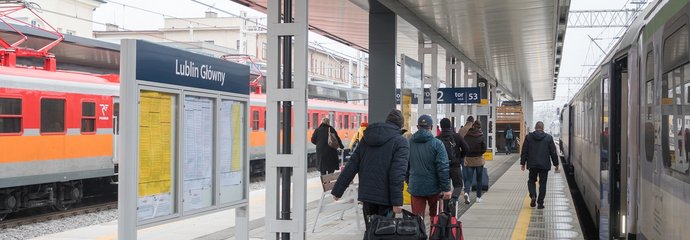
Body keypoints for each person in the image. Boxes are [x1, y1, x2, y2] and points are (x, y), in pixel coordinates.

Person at [331, 110, 409, 227]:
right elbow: (397, 173)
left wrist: (338, 190)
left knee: (371, 231)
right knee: (384, 233)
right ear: (400, 125)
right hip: (386, 198)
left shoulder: (366, 138)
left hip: (367, 196)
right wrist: (397, 202)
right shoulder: (401, 141)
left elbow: (352, 165)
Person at [407, 115, 452, 219]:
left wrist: (409, 181)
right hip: (434, 188)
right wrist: (446, 189)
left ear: (417, 127)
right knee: (435, 218)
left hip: (415, 186)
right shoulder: (437, 144)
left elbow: (404, 166)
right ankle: (433, 234)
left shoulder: (408, 143)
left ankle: (419, 234)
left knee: (417, 218)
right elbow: (443, 167)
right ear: (431, 127)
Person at [520, 121, 559, 209]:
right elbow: (553, 152)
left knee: (531, 180)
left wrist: (523, 163)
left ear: (535, 127)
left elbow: (524, 151)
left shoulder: (529, 137)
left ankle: (533, 195)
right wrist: (556, 164)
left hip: (532, 164)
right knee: (543, 183)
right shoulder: (548, 138)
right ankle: (540, 203)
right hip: (544, 165)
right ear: (543, 128)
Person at [438, 118, 470, 201]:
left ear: (441, 126)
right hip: (455, 165)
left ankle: (446, 210)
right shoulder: (457, 136)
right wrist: (460, 157)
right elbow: (466, 148)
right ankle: (454, 199)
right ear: (450, 126)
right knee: (458, 185)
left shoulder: (437, 139)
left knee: (445, 188)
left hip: (442, 167)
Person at [463, 120, 486, 204]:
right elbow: (484, 148)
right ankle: (478, 197)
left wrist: (466, 155)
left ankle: (466, 192)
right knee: (479, 179)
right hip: (478, 160)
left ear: (472, 126)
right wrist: (480, 153)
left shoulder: (467, 136)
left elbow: (464, 147)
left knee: (469, 179)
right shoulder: (481, 136)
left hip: (469, 159)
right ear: (479, 128)